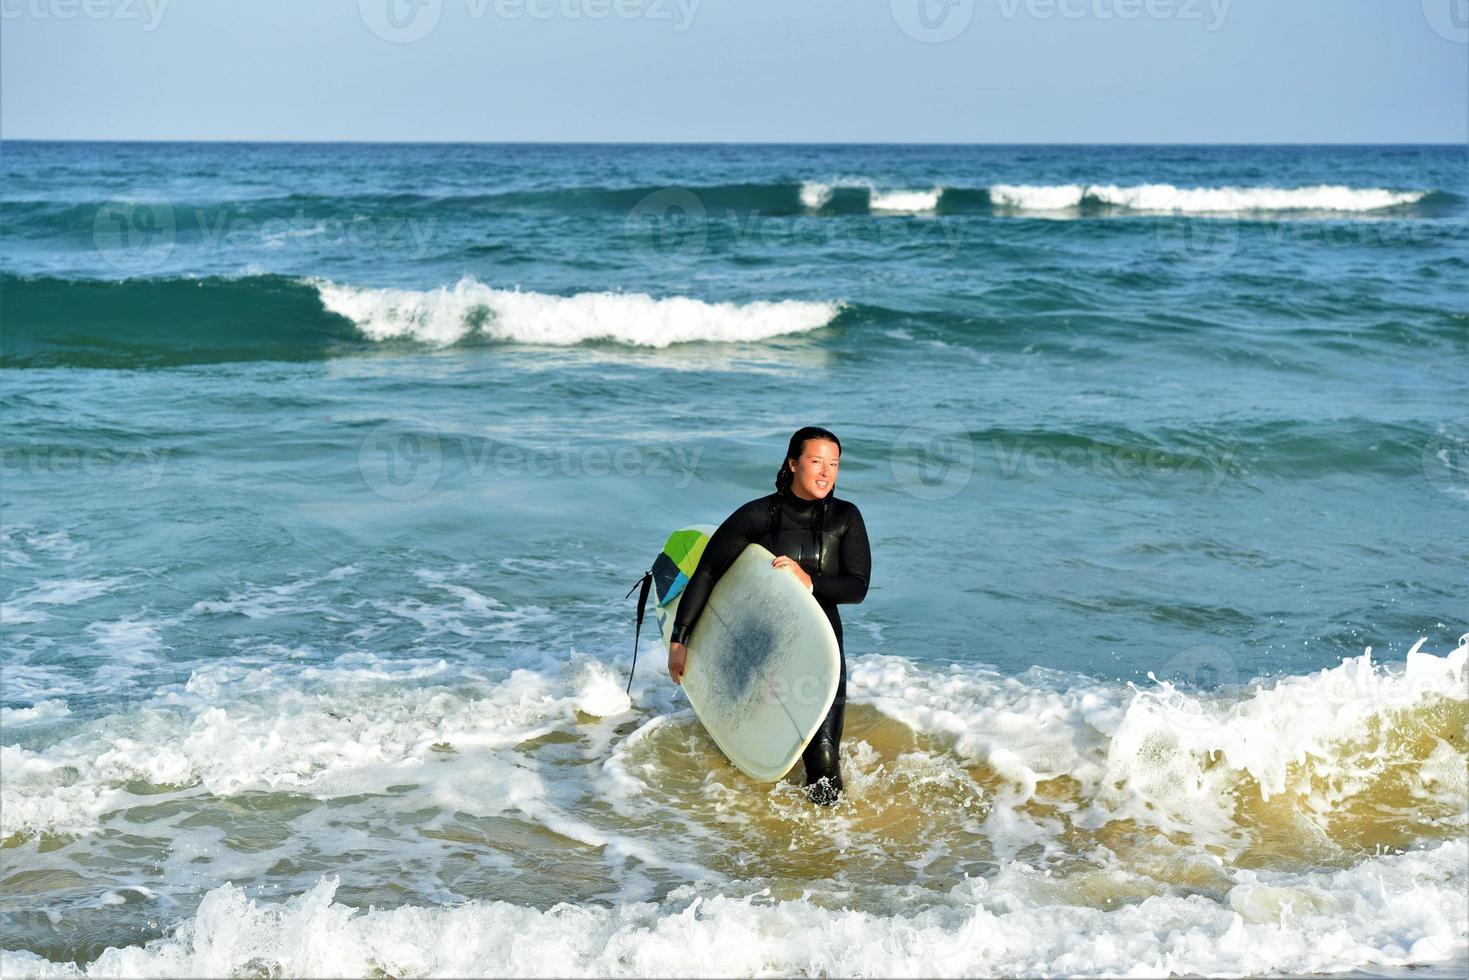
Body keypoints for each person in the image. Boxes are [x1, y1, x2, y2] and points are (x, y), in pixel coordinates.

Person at [667, 426, 871, 805]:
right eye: (816, 462)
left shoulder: (846, 518)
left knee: (824, 764)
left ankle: (827, 847)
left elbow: (857, 587)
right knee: (752, 747)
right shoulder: (758, 516)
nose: (826, 472)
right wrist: (680, 638)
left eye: (834, 464)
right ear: (794, 463)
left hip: (816, 652)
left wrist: (808, 580)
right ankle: (744, 824)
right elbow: (709, 571)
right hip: (756, 652)